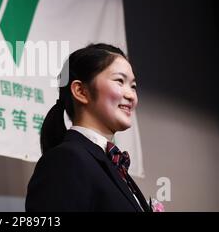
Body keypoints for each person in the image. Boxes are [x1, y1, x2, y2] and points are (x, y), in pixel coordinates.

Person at [25, 43, 151, 212]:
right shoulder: (66, 160)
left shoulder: (108, 163)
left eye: (133, 86)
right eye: (120, 81)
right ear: (81, 91)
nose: (131, 95)